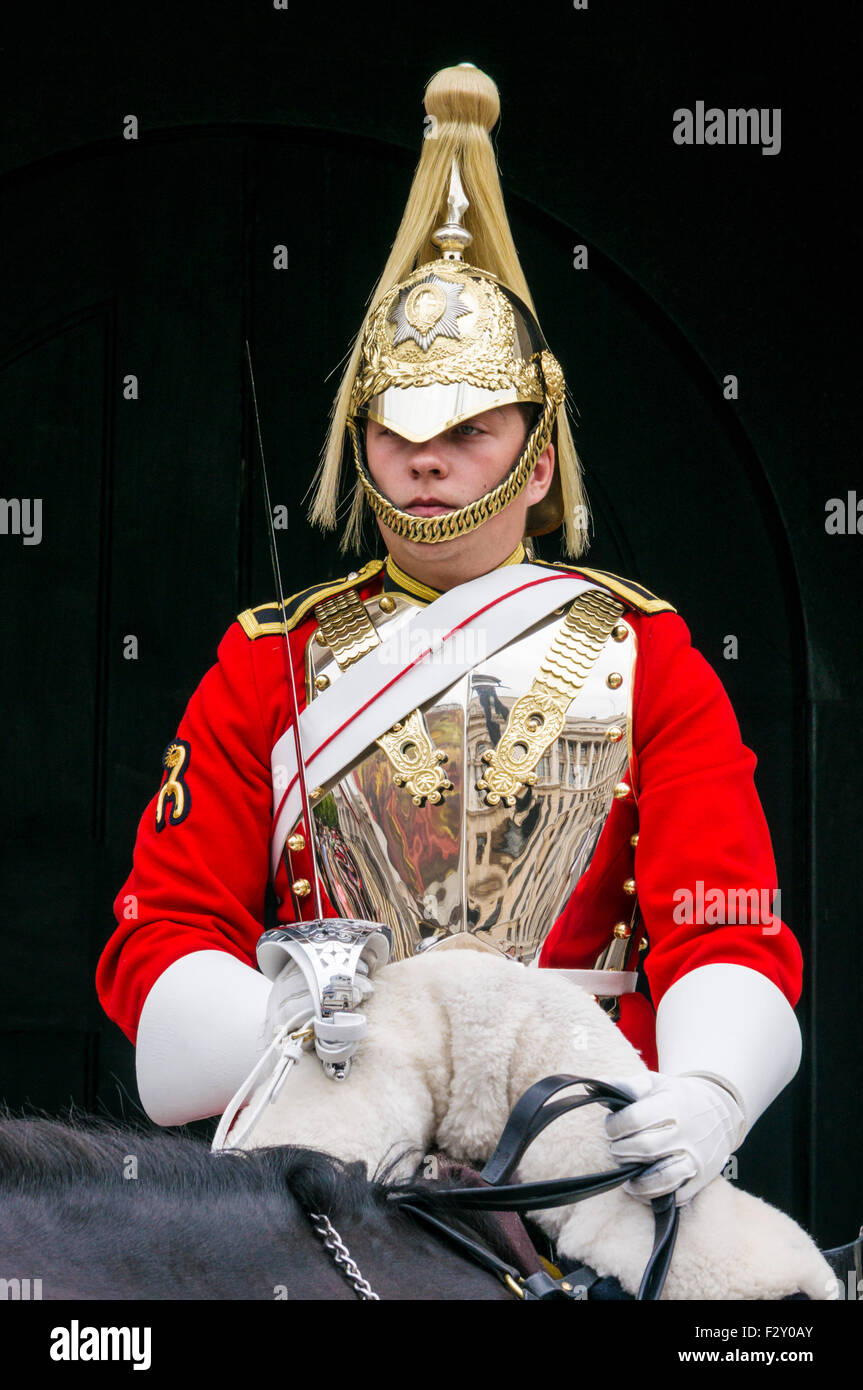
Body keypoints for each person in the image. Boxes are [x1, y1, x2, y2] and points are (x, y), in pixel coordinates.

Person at [97, 63, 803, 1210]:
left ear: (534, 451)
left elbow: (719, 919)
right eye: (396, 429)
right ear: (362, 439)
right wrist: (282, 1017)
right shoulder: (261, 659)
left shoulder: (648, 653)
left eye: (468, 431)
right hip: (327, 1121)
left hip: (580, 1137)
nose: (426, 461)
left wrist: (710, 1087)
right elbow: (167, 928)